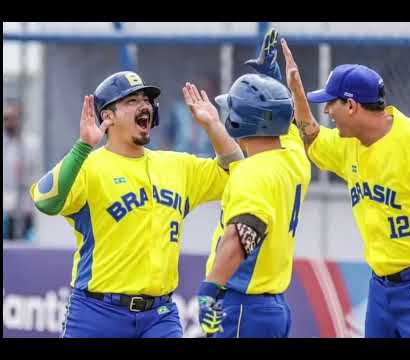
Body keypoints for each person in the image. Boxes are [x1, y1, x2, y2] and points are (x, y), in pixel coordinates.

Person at [280, 38, 410, 338]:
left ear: (352, 105)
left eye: (331, 104)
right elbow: (312, 139)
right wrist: (296, 90)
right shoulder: (349, 144)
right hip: (381, 290)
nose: (328, 112)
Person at [30, 71, 243, 338]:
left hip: (160, 316)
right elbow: (45, 201)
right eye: (131, 101)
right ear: (108, 116)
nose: (144, 105)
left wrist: (213, 125)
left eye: (146, 100)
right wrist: (83, 146)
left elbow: (238, 174)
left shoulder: (177, 166)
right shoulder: (88, 166)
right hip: (97, 312)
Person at [196, 29, 311, 338]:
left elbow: (242, 236)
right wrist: (273, 80)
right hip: (273, 308)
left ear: (239, 122)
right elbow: (286, 125)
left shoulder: (251, 172)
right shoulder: (295, 158)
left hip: (242, 306)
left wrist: (210, 289)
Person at [3, 99, 41, 240]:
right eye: (5, 119)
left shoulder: (30, 145)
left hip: (24, 209)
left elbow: (35, 178)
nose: (8, 123)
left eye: (12, 118)